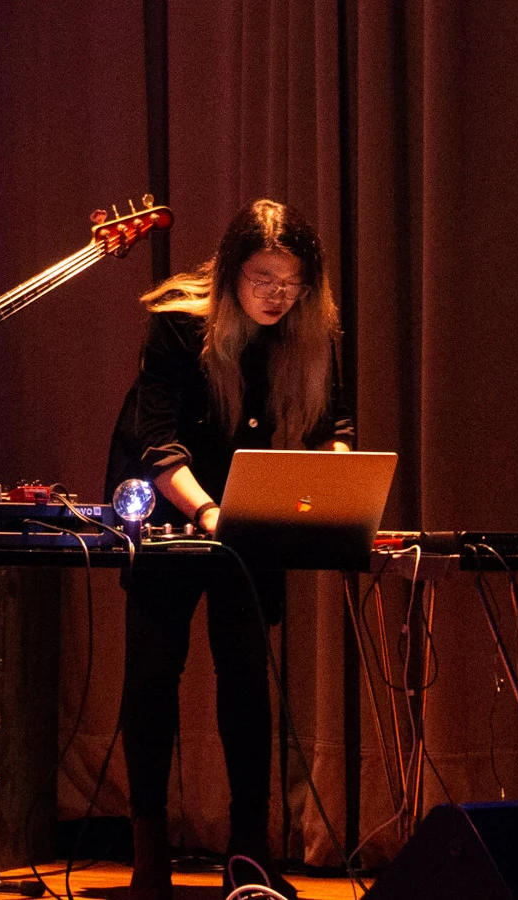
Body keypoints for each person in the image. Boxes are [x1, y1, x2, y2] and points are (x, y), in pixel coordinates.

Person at [104, 199, 354, 900]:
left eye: (291, 282)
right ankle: (149, 852)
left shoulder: (309, 331)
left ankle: (249, 853)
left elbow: (332, 424)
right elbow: (158, 443)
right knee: (154, 672)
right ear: (230, 274)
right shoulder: (179, 325)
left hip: (249, 508)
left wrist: (332, 486)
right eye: (262, 278)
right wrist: (210, 512)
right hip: (169, 501)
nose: (277, 295)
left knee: (245, 672)